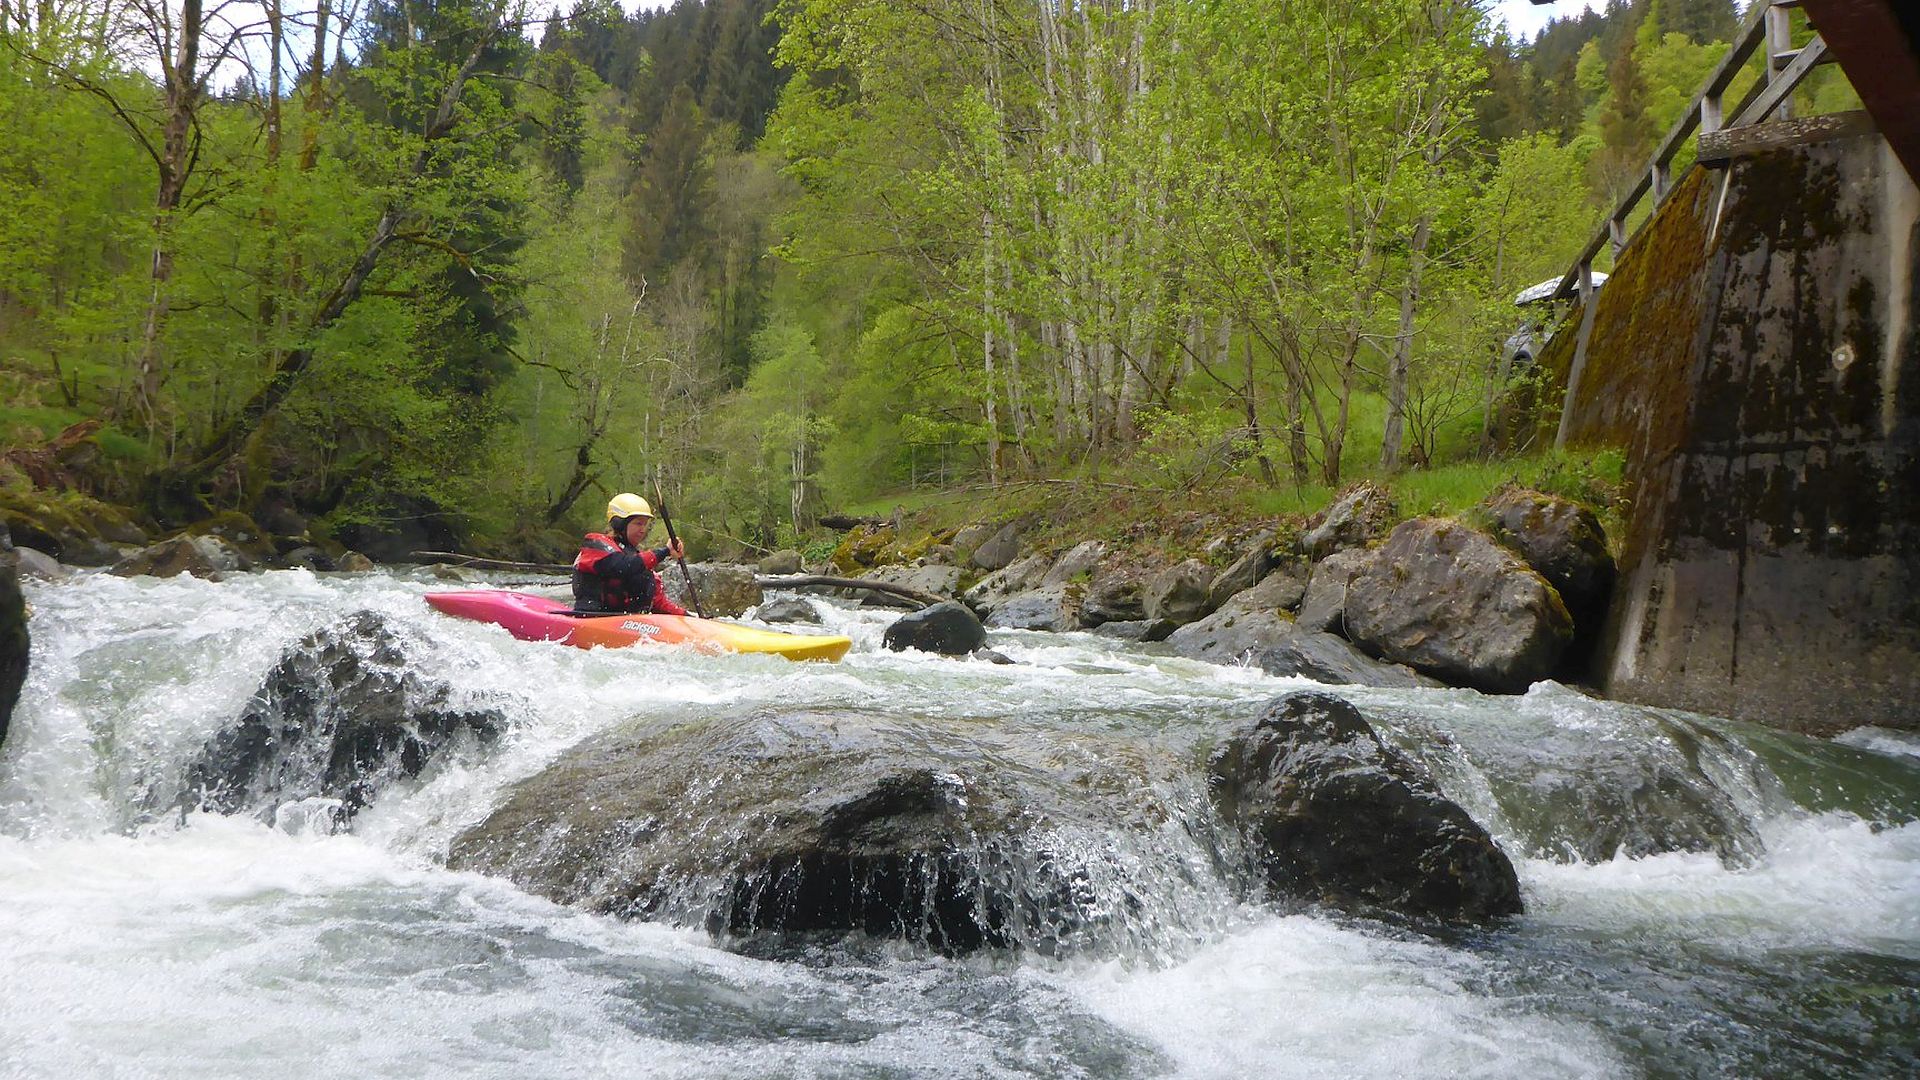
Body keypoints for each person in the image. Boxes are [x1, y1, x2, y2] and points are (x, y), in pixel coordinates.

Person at [572, 493, 689, 615]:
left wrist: (688, 618)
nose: (643, 529)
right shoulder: (595, 544)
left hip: (629, 623)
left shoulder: (639, 559)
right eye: (638, 523)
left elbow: (658, 602)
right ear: (619, 523)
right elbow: (623, 567)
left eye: (645, 524)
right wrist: (665, 551)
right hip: (594, 618)